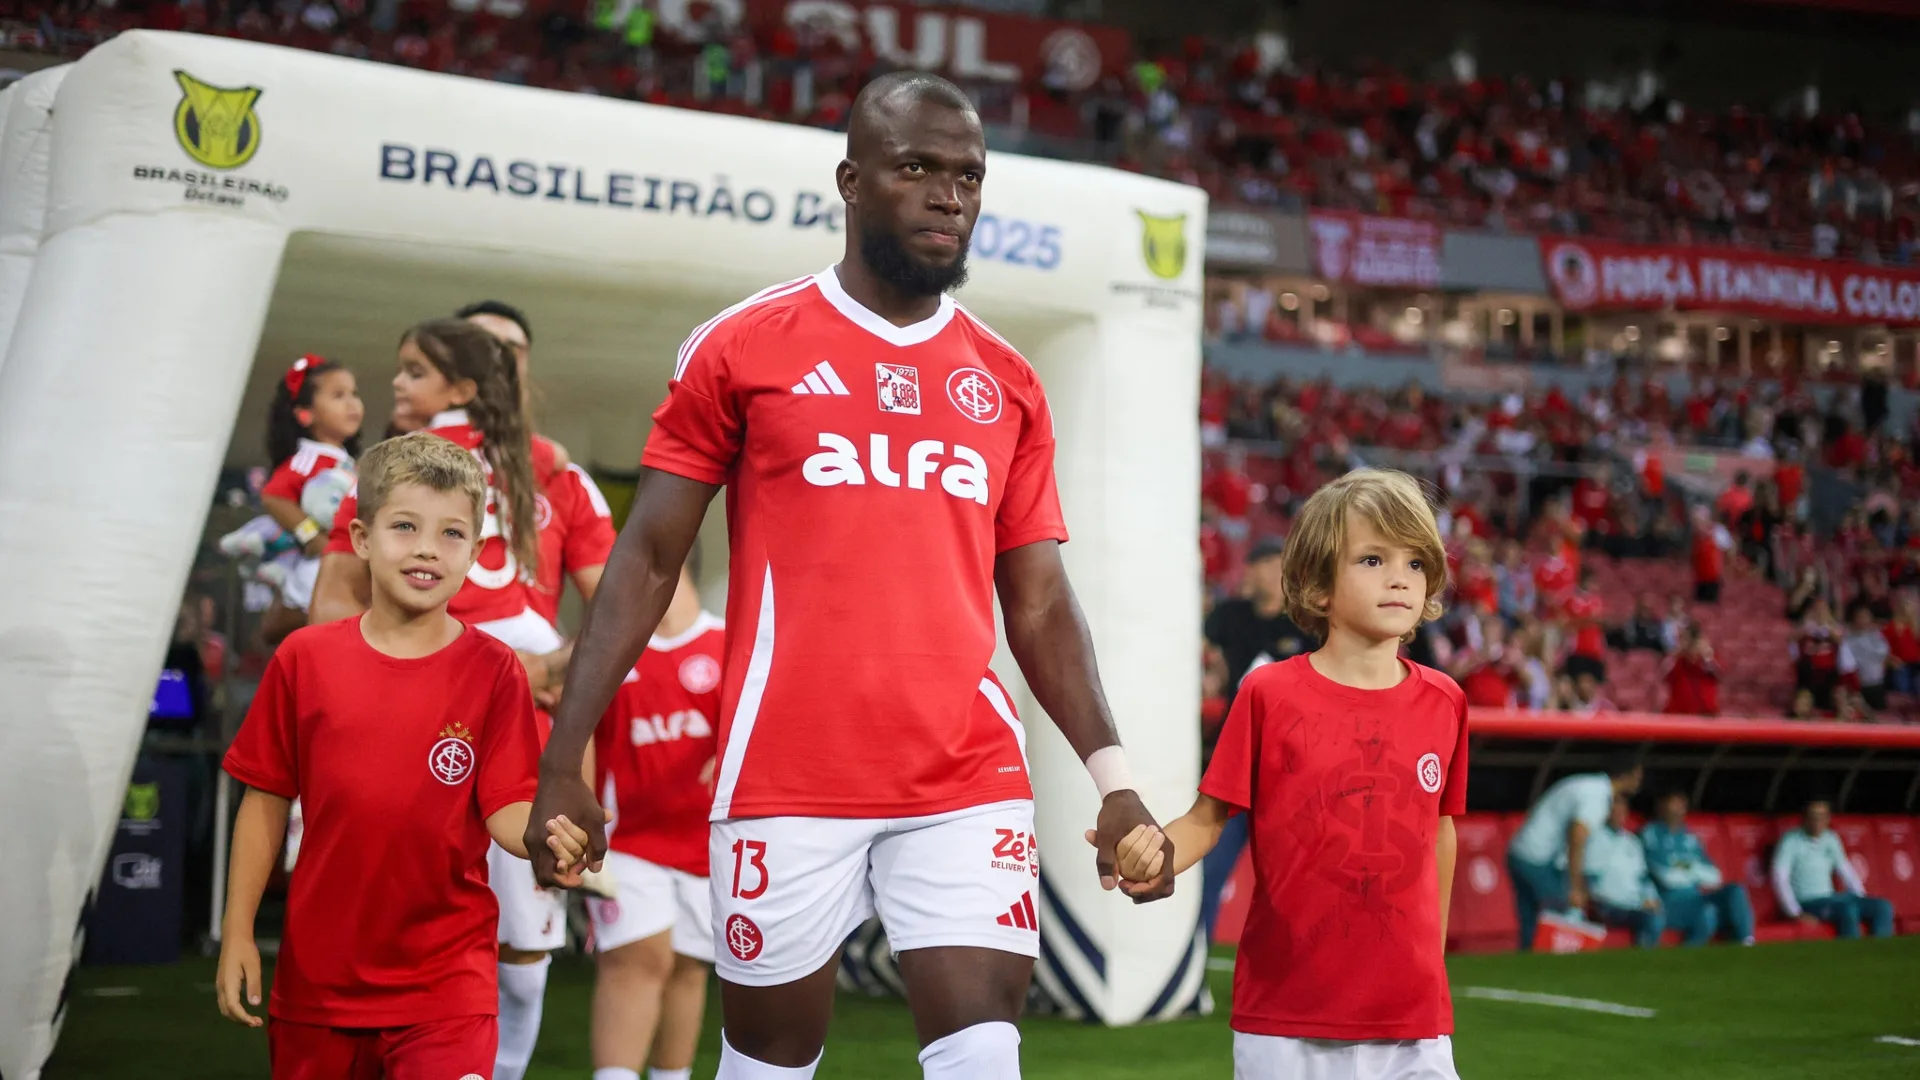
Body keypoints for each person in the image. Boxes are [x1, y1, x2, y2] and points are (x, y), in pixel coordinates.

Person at [524, 70, 1173, 1080]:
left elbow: (1039, 601)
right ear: (851, 180)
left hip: (964, 772)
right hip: (786, 770)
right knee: (772, 1060)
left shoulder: (1005, 381)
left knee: (982, 1056)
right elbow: (646, 560)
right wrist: (565, 758)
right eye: (916, 167)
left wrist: (1117, 783)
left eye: (967, 175)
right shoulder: (740, 348)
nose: (947, 194)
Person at [213, 433, 591, 1078]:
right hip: (318, 983)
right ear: (361, 538)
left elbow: (506, 804)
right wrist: (239, 932)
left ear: (475, 552)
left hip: (448, 985)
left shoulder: (495, 669)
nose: (425, 548)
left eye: (451, 534)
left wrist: (549, 840)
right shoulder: (304, 660)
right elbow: (266, 800)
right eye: (405, 526)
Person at [1106, 468, 1468, 1080]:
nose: (1400, 578)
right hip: (1285, 1018)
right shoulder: (1268, 694)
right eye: (1374, 559)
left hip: (1414, 1023)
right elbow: (1208, 818)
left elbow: (1440, 832)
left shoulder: (1446, 701)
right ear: (1318, 585)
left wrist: (1430, 965)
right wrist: (1156, 856)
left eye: (1415, 561)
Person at [305, 318, 576, 1080]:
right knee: (385, 926)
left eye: (415, 371)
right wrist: (458, 663)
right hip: (394, 734)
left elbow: (632, 602)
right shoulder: (378, 479)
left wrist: (549, 673)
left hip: (512, 738)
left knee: (520, 941)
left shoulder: (555, 473)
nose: (396, 384)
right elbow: (327, 609)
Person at [588, 564, 723, 1080]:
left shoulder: (727, 642)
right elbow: (580, 738)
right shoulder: (612, 651)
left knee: (688, 968)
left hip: (707, 847)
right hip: (628, 844)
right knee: (640, 958)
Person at [1198, 537, 1311, 938]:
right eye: (1257, 563)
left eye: (1270, 562)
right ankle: (1194, 962)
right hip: (1239, 762)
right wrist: (1210, 672)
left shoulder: (1306, 622)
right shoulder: (1232, 615)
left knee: (1299, 882)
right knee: (1210, 870)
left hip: (1294, 767)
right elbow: (1197, 644)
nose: (1262, 571)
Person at [228, 355, 364, 643]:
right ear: (305, 414)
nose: (352, 403)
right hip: (315, 566)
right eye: (338, 395)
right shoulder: (307, 458)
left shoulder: (342, 460)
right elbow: (274, 496)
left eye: (354, 393)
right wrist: (312, 537)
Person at [1506, 755, 1645, 950]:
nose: (1639, 783)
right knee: (1561, 914)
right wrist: (1575, 886)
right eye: (1638, 776)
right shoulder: (1598, 795)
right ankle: (1551, 965)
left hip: (1519, 852)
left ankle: (1526, 962)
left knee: (1532, 919)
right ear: (1626, 776)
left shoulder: (1588, 784)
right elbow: (1577, 836)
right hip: (1537, 858)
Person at [1640, 790, 1754, 946]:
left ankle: (1746, 941)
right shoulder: (1651, 833)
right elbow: (1667, 878)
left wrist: (1684, 867)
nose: (1677, 810)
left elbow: (1714, 876)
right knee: (1708, 912)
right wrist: (1694, 870)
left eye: (1681, 805)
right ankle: (1687, 958)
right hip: (1669, 901)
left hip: (1696, 897)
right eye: (1673, 804)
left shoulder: (1690, 837)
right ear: (1661, 807)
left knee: (1735, 890)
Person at [1772, 799, 1896, 939]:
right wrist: (1795, 913)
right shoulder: (1790, 840)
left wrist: (1860, 898)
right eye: (1813, 816)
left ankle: (1880, 953)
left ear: (1828, 819)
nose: (1817, 821)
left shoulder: (1831, 838)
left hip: (1833, 899)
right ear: (1804, 818)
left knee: (1883, 907)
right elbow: (1780, 878)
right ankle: (1851, 956)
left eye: (1822, 817)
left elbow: (1845, 870)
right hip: (1810, 902)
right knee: (1847, 909)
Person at [1581, 795, 1664, 949]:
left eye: (1623, 811)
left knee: (1656, 913)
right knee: (1648, 917)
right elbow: (1592, 884)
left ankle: (1644, 957)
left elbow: (1643, 878)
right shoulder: (1594, 839)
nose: (1620, 815)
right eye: (1615, 811)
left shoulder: (1631, 841)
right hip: (1607, 905)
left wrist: (1652, 897)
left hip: (1632, 903)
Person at [1663, 623, 1721, 716]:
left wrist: (1706, 655)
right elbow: (1664, 675)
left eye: (1692, 642)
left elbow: (1719, 676)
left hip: (1705, 715)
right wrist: (1677, 653)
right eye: (1685, 640)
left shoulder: (1708, 660)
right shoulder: (1677, 661)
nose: (1689, 646)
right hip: (1678, 715)